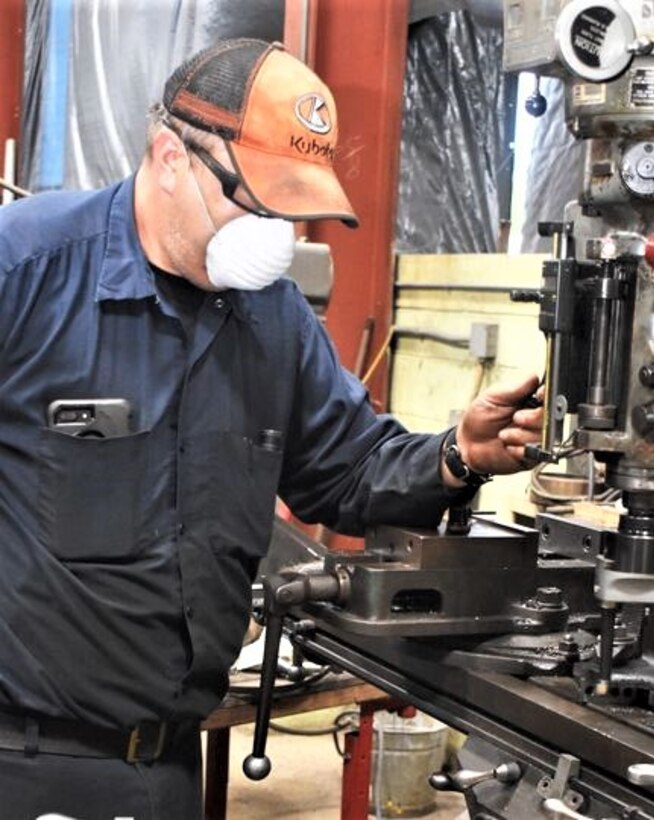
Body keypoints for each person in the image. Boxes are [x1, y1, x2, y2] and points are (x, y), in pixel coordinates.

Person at [0, 39, 543, 818]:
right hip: (24, 765)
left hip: (167, 769)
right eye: (255, 200)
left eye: (291, 210)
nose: (275, 234)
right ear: (168, 158)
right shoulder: (26, 269)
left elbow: (348, 472)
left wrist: (458, 454)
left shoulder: (274, 320)